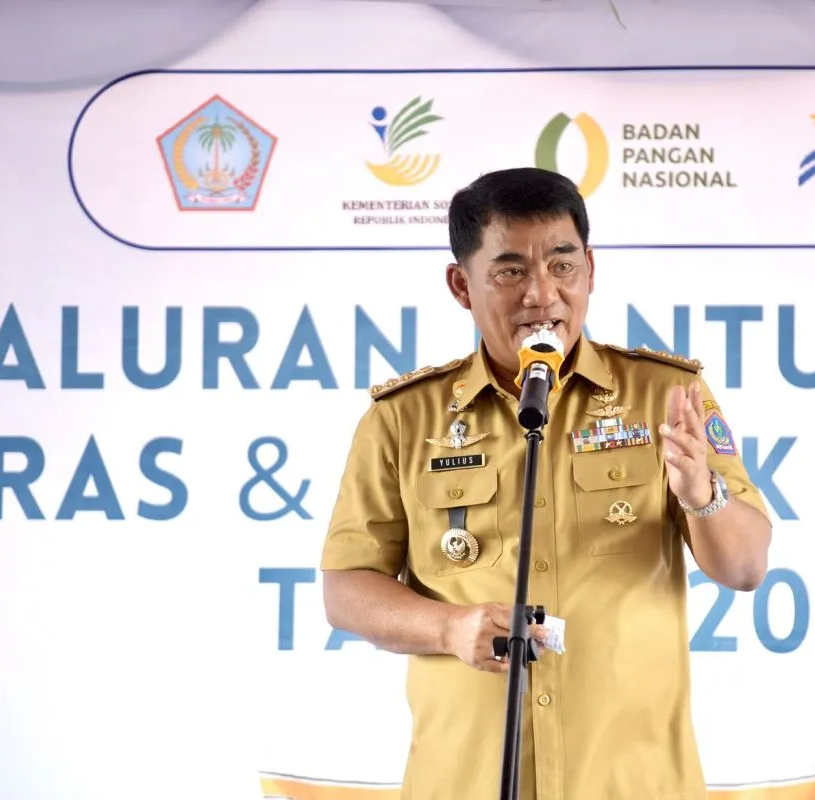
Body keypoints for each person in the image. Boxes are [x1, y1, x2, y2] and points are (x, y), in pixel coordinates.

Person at [320, 167, 773, 800]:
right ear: (461, 285)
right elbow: (346, 590)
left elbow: (746, 568)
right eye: (510, 271)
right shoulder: (403, 419)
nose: (542, 294)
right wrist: (448, 628)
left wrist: (704, 497)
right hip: (468, 784)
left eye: (562, 265)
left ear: (590, 269)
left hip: (632, 785)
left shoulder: (666, 396)